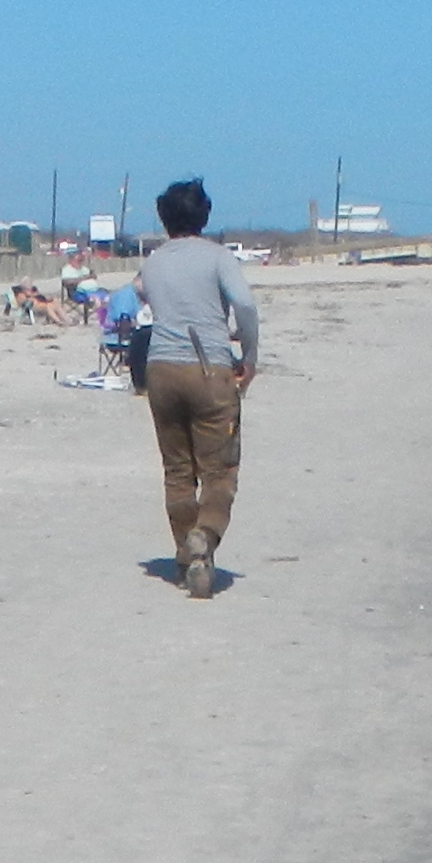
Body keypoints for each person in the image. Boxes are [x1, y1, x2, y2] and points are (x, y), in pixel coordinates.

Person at [135, 178, 260, 595]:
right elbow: (244, 304)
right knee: (219, 469)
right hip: (208, 367)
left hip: (161, 369)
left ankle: (187, 557)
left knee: (177, 470)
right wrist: (249, 355)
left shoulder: (153, 262)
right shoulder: (218, 257)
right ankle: (204, 537)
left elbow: (141, 292)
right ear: (204, 215)